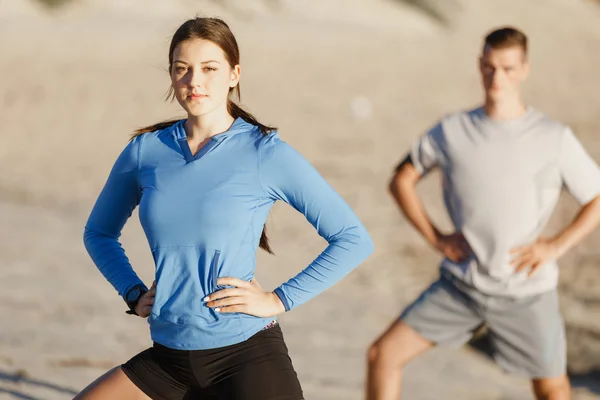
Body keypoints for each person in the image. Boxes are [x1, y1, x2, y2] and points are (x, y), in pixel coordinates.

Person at [75, 17, 374, 400]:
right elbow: (98, 233)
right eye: (182, 69)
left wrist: (279, 299)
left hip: (245, 355)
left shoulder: (264, 153)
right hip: (169, 359)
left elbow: (352, 239)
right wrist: (132, 292)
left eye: (209, 69)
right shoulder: (145, 151)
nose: (194, 82)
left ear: (234, 73)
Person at [366, 26, 600, 400]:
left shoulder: (552, 137)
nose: (497, 77)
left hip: (527, 291)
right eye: (490, 67)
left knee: (553, 390)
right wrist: (435, 237)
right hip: (461, 285)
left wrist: (554, 248)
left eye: (507, 68)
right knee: (382, 355)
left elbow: (596, 198)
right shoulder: (452, 130)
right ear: (479, 65)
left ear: (524, 69)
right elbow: (401, 180)